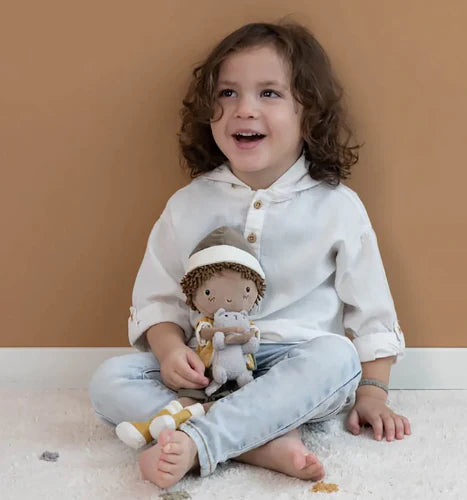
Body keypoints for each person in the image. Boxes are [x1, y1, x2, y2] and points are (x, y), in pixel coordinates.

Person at [89, 21, 411, 490]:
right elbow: (157, 300)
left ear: (308, 112)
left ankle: (201, 437)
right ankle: (257, 443)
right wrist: (170, 350)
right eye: (227, 93)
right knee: (110, 380)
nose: (244, 109)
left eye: (269, 93)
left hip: (296, 365)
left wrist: (373, 393)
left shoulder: (337, 206)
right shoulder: (188, 204)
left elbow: (372, 313)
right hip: (207, 368)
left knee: (338, 359)